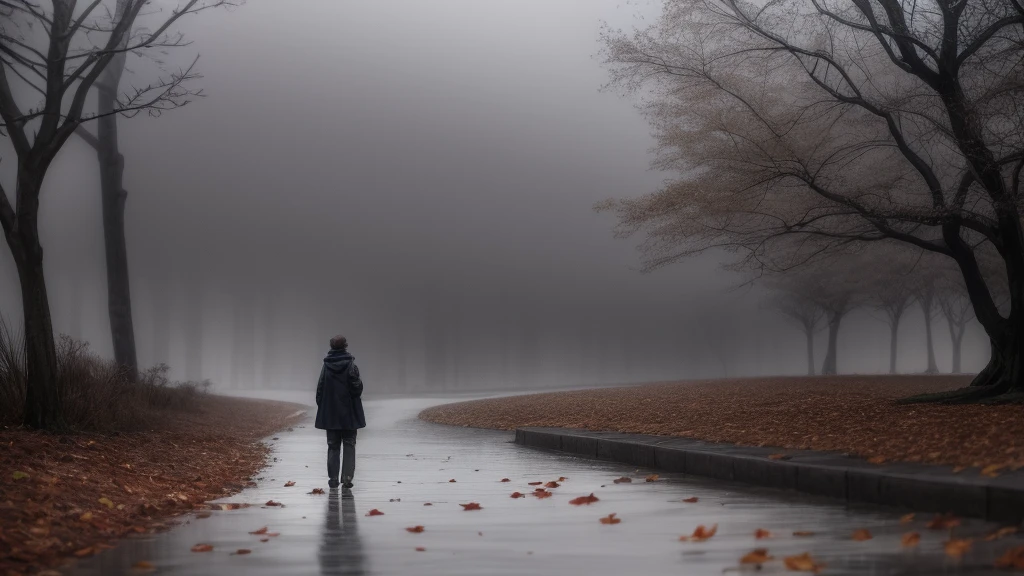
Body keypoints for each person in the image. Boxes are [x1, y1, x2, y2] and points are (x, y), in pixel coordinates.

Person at [315, 335, 366, 489]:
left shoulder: (326, 366)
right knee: (349, 444)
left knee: (333, 445)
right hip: (349, 413)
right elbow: (357, 388)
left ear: (331, 347)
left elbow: (320, 389)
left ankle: (332, 479)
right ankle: (347, 478)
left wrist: (324, 407)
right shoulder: (351, 365)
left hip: (331, 413)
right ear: (345, 346)